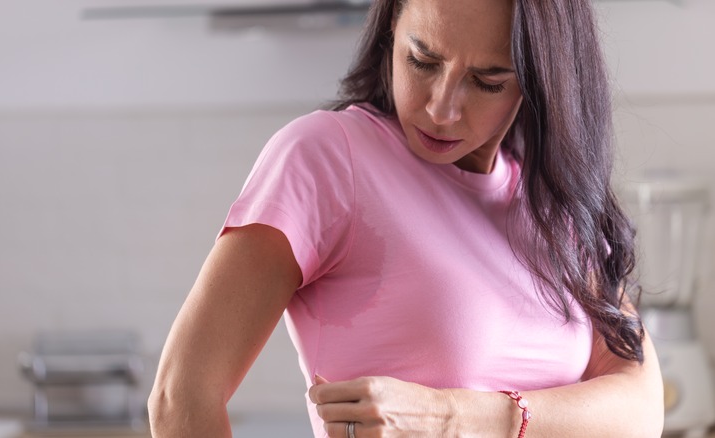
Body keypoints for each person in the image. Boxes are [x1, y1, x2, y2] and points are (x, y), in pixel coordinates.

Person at [148, 0, 665, 436]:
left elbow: (641, 408)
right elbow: (181, 394)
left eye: (487, 82)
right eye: (422, 61)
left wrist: (453, 416)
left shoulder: (553, 206)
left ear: (538, 81)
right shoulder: (328, 158)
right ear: (391, 26)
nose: (442, 108)